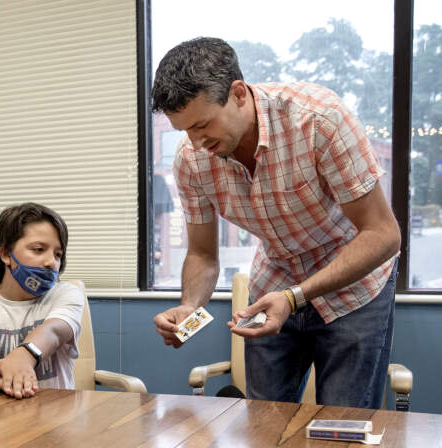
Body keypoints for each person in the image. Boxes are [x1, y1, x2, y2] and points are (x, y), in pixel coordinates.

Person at [150, 37, 401, 408]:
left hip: (354, 287)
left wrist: (295, 297)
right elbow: (202, 254)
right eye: (184, 131)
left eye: (203, 125)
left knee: (343, 429)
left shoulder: (319, 119)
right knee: (263, 423)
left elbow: (383, 234)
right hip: (275, 283)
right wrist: (189, 307)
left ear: (238, 93)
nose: (196, 143)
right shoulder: (192, 160)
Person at [0, 203, 84, 399]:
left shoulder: (66, 294)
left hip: (59, 417)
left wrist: (24, 355)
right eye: (39, 249)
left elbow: (54, 331)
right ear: (5, 254)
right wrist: (7, 374)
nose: (51, 262)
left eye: (58, 254)